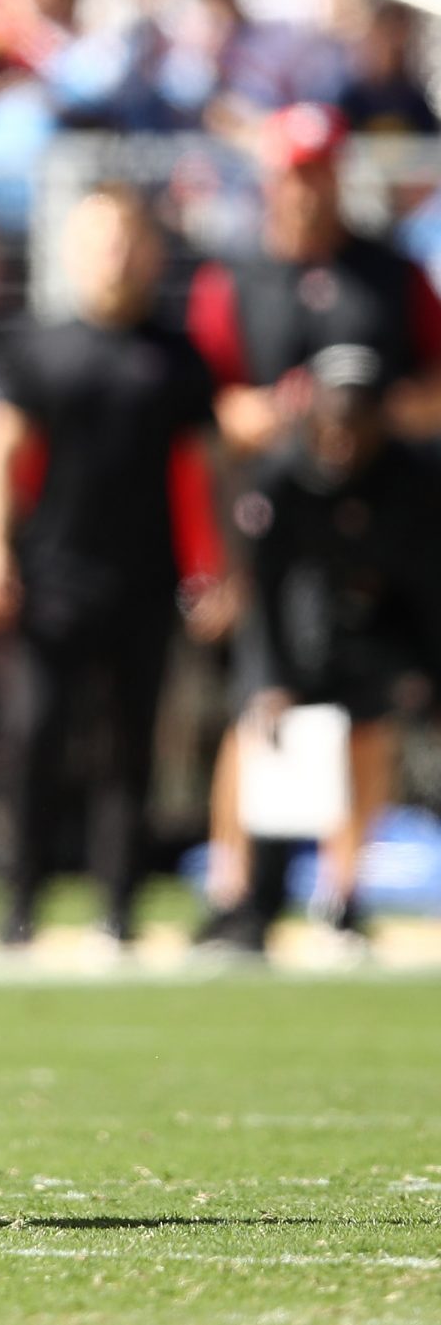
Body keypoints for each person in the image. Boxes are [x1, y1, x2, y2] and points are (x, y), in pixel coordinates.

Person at [0, 189, 235, 952]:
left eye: (129, 240)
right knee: (33, 739)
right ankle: (19, 905)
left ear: (152, 252)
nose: (117, 255)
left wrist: (223, 568)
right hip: (50, 579)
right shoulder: (36, 346)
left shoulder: (178, 357)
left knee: (131, 748)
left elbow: (211, 471)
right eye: (102, 240)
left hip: (147, 577)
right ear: (75, 250)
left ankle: (117, 909)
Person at [197, 345, 441, 953]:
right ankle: (237, 897)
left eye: (356, 425)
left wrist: (427, 671)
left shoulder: (413, 477)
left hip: (378, 620)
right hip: (291, 618)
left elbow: (428, 581)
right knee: (256, 739)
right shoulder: (280, 475)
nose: (342, 441)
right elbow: (265, 586)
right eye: (331, 426)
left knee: (369, 736)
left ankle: (343, 897)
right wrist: (269, 679)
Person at [186, 103, 441, 460]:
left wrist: (389, 414)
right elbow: (207, 401)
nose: (310, 190)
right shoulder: (228, 281)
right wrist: (254, 416)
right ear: (271, 179)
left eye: (323, 171)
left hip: (387, 480)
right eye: (299, 174)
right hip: (275, 483)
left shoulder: (397, 272)